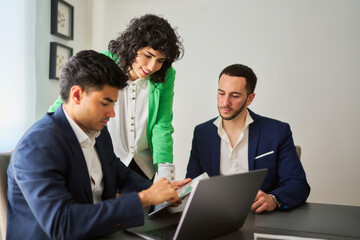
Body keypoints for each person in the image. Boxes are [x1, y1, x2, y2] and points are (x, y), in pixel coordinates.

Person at [7, 50, 190, 240]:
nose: (112, 113)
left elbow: (122, 175)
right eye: (105, 103)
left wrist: (164, 190)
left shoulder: (98, 134)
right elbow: (62, 224)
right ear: (77, 95)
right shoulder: (37, 146)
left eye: (114, 104)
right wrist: (146, 198)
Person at [48, 14, 184, 181]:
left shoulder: (166, 75)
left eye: (160, 60)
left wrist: (166, 174)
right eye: (148, 56)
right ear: (134, 46)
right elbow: (66, 104)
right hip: (105, 158)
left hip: (143, 165)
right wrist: (39, 139)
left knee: (147, 204)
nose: (152, 67)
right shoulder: (104, 61)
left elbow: (162, 124)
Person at [186, 64, 310, 213]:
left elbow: (298, 184)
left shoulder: (277, 131)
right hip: (213, 216)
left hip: (259, 217)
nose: (225, 102)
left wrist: (273, 199)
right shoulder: (202, 133)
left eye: (235, 95)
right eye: (221, 93)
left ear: (250, 98)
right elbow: (192, 184)